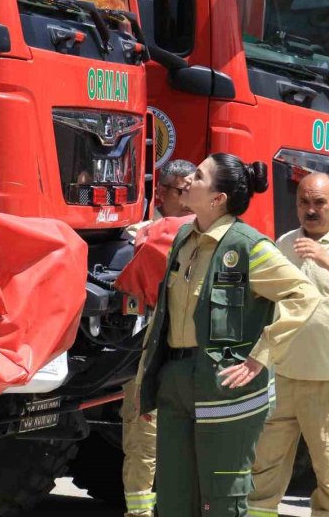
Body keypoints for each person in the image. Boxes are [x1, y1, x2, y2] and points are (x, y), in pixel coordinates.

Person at [137, 153, 319, 517]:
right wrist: (151, 382)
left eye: (199, 176)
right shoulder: (184, 238)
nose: (188, 180)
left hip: (226, 391)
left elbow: (304, 295)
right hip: (175, 381)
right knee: (173, 498)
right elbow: (166, 318)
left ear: (218, 199)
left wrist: (260, 356)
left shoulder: (248, 245)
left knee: (221, 500)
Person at [248, 173, 329, 517]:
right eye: (304, 202)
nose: (311, 210)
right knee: (263, 470)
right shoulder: (285, 243)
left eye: (319, 202)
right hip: (282, 377)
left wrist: (326, 259)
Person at [122, 159, 196, 517]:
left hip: (175, 353)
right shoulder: (141, 231)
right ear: (161, 192)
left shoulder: (181, 229)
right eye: (184, 190)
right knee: (143, 442)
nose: (191, 197)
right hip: (148, 354)